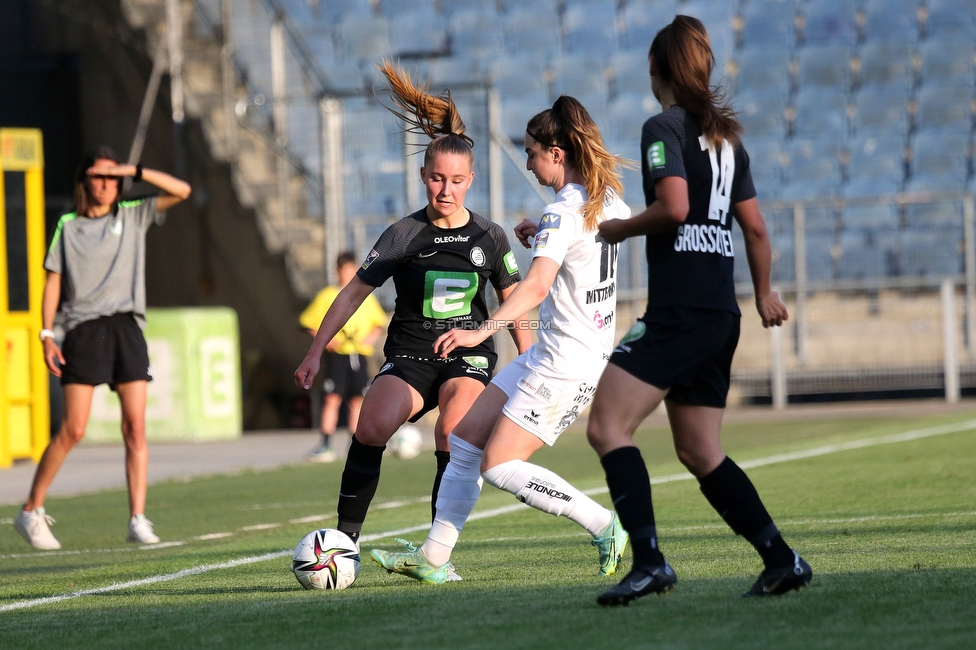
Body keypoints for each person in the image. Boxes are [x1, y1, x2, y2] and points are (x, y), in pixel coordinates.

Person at [585, 15, 810, 606]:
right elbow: (755, 229)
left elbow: (676, 208)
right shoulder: (728, 141)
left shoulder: (662, 127)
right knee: (699, 450)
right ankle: (781, 559)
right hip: (721, 315)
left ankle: (651, 562)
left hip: (679, 312)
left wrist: (621, 229)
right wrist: (763, 293)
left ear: (656, 69)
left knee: (608, 426)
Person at [371, 95, 634, 584]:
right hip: (565, 351)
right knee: (466, 438)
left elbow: (535, 287)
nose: (529, 163)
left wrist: (482, 329)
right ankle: (433, 558)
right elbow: (585, 251)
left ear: (556, 153)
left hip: (564, 362)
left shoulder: (562, 210)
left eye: (533, 152)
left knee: (499, 464)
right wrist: (543, 237)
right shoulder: (606, 200)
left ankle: (606, 524)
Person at [294, 62, 531, 560]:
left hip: (468, 354)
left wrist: (529, 366)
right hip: (410, 353)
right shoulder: (403, 234)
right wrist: (316, 349)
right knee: (371, 427)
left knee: (453, 427)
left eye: (457, 181)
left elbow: (516, 302)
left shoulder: (490, 235)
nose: (446, 190)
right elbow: (354, 292)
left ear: (471, 180)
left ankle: (437, 551)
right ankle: (344, 544)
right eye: (437, 179)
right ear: (423, 176)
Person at [14, 147, 192, 550]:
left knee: (136, 428)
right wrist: (46, 334)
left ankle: (137, 518)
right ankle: (30, 510)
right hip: (83, 330)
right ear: (84, 181)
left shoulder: (132, 213)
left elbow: (182, 190)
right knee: (73, 429)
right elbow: (53, 281)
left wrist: (133, 169)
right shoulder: (68, 225)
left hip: (127, 327)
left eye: (113, 178)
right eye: (98, 176)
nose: (106, 184)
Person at [299, 251, 386, 463]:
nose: (348, 274)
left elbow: (379, 322)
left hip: (358, 355)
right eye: (344, 270)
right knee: (332, 398)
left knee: (357, 400)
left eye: (351, 270)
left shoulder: (365, 294)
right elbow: (308, 322)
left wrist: (369, 340)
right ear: (337, 271)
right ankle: (326, 444)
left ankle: (353, 444)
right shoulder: (327, 295)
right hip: (338, 356)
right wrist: (326, 341)